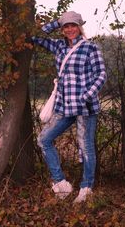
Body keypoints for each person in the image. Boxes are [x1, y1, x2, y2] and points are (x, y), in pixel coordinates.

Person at [31, 11, 107, 203]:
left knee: (86, 146)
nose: (70, 29)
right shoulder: (58, 47)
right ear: (62, 29)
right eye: (66, 26)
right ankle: (61, 184)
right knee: (43, 139)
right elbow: (34, 36)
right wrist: (57, 22)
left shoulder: (90, 47)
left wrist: (87, 96)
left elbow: (101, 75)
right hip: (63, 107)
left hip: (85, 107)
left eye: (73, 25)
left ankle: (86, 187)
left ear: (79, 27)